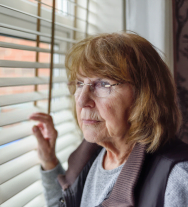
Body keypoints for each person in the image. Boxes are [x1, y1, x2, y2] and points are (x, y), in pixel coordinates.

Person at [29, 32, 188, 207]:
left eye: (103, 84)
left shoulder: (177, 178)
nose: (82, 100)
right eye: (80, 83)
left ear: (144, 97)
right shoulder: (90, 154)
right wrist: (49, 161)